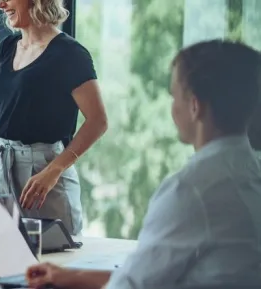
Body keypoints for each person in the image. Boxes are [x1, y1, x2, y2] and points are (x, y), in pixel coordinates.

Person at [25, 40, 261, 289]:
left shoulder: (190, 191)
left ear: (194, 107)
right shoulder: (249, 174)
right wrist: (71, 276)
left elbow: (130, 287)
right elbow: (156, 277)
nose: (172, 107)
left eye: (174, 96)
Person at [0, 0, 108, 235]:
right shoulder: (8, 46)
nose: (1, 4)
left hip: (44, 172)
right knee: (8, 259)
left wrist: (53, 171)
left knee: (55, 261)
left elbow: (98, 121)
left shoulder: (70, 54)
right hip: (4, 167)